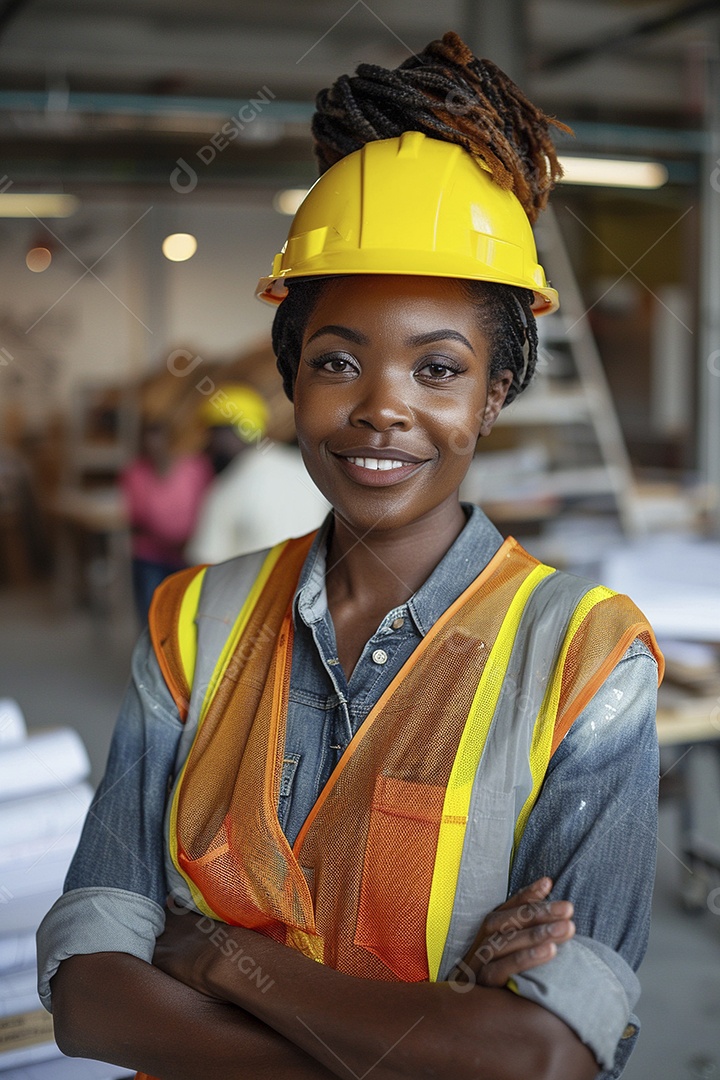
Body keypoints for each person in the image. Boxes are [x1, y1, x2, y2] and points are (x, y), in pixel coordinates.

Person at [37, 32, 663, 1080]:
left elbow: (542, 1055)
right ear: (290, 378)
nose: (383, 408)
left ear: (494, 396)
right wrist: (419, 1033)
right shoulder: (192, 622)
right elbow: (92, 995)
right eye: (337, 361)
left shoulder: (587, 665)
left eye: (438, 367)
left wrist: (220, 957)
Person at [186, 382, 330, 563]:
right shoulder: (305, 471)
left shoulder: (229, 487)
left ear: (230, 432)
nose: (210, 445)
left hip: (254, 589)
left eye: (214, 433)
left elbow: (203, 560)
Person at [119, 417, 213, 623]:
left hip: (190, 556)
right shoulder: (135, 473)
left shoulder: (195, 469)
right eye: (148, 438)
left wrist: (189, 542)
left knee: (188, 618)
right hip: (150, 557)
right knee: (151, 618)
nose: (154, 445)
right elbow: (136, 518)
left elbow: (210, 508)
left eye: (159, 437)